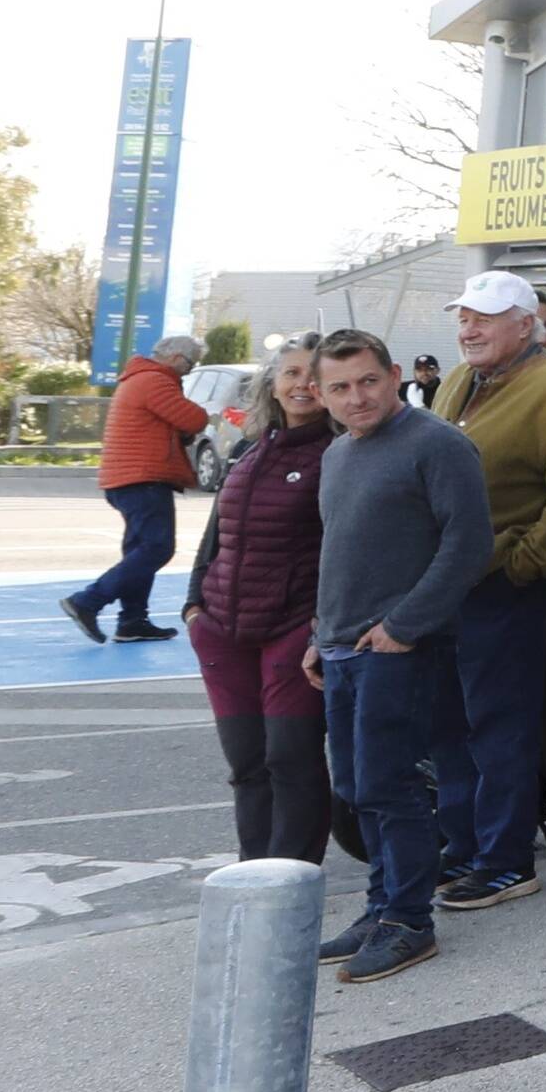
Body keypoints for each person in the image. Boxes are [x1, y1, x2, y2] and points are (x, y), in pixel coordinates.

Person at [308, 331, 495, 988]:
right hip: (341, 649)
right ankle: (381, 907)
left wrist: (404, 627)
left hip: (400, 649)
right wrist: (319, 633)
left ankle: (410, 920)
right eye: (340, 387)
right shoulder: (338, 453)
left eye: (367, 381)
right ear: (320, 394)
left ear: (393, 375)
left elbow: (470, 544)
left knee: (392, 785)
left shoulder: (437, 443)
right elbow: (341, 552)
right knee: (359, 789)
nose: (356, 397)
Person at [429, 269, 546, 912]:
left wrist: (527, 564)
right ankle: (464, 845)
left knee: (500, 726)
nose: (468, 327)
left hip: (504, 583)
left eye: (485, 316)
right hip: (446, 584)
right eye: (463, 315)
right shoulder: (457, 379)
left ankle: (503, 859)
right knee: (450, 725)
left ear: (525, 324)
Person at [185, 341, 334, 863]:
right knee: (248, 763)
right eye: (291, 372)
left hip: (292, 628)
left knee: (291, 758)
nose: (302, 384)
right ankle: (254, 875)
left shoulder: (339, 454)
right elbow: (215, 534)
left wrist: (319, 623)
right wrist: (193, 607)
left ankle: (292, 878)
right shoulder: (248, 452)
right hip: (223, 630)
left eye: (315, 375)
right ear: (272, 383)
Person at [70, 332, 210, 642]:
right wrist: (202, 416)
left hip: (126, 478)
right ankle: (88, 601)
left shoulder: (139, 378)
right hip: (143, 478)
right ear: (175, 358)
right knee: (157, 548)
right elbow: (193, 419)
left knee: (140, 550)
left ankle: (132, 620)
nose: (190, 370)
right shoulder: (155, 380)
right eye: (190, 363)